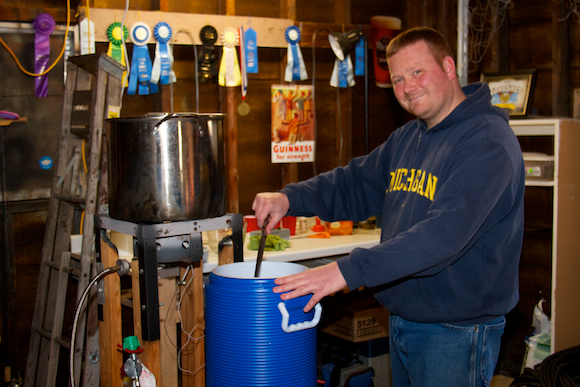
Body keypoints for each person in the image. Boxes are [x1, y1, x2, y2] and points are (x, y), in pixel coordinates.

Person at [252, 27, 524, 386]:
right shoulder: (409, 137)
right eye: (397, 79)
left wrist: (346, 271)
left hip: (456, 330)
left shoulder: (487, 143)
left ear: (448, 67)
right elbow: (354, 183)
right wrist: (290, 197)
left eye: (416, 72)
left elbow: (441, 237)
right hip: (404, 318)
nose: (407, 87)